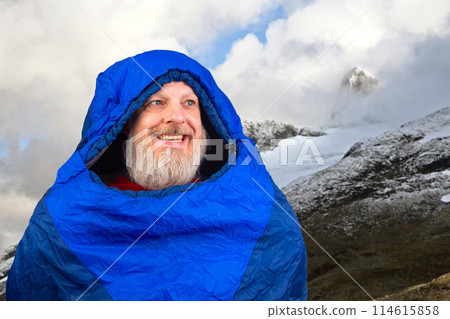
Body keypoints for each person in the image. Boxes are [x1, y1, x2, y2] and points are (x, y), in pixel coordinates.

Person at [6, 50, 308, 301]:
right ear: (125, 122)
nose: (177, 117)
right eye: (156, 102)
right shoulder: (59, 220)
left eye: (190, 102)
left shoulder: (264, 213)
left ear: (207, 122)